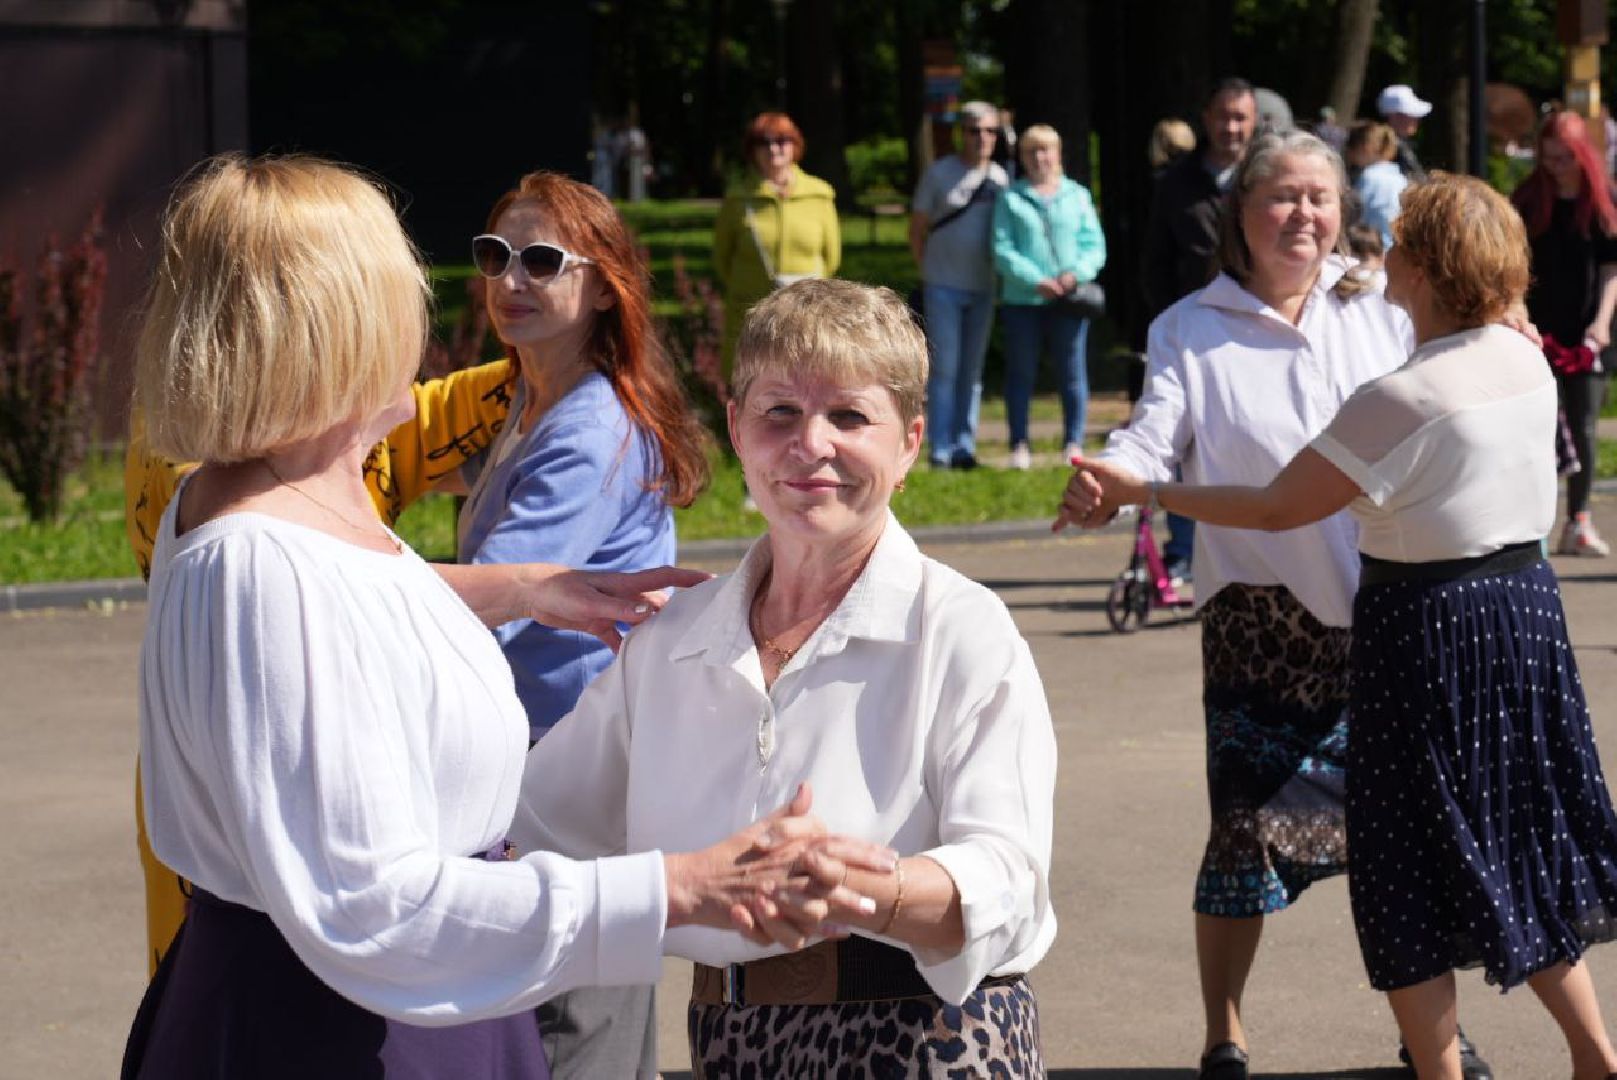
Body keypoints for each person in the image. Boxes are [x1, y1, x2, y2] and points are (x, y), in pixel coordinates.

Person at [122, 153, 893, 1078]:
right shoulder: (257, 561)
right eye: (400, 282)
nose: (433, 301)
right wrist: (682, 886)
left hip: (392, 1003)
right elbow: (371, 907)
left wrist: (524, 588)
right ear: (338, 326)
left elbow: (349, 597)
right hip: (345, 1026)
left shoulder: (283, 494)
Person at [1062, 173, 1617, 1080]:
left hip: (1424, 628)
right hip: (1521, 618)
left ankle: (1440, 1068)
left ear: (1425, 271)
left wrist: (1148, 494)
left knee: (1398, 869)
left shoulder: (1401, 394)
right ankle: (1594, 1058)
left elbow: (1280, 507)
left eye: (1395, 241)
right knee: (1510, 837)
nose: (1375, 249)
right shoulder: (1520, 361)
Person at [512, 279, 1058, 1075]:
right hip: (730, 1039)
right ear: (735, 427)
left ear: (908, 443)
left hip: (927, 1039)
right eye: (779, 413)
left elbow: (1007, 878)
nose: (812, 444)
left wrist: (871, 885)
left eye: (848, 415)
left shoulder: (960, 628)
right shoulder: (672, 642)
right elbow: (540, 823)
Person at [461, 170, 712, 1076]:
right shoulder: (536, 399)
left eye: (540, 261)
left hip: (575, 784)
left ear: (603, 284)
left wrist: (345, 590)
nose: (510, 281)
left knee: (577, 1041)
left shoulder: (588, 427)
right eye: (495, 257)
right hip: (547, 776)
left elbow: (495, 590)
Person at [1142, 77, 1259, 583]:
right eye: (1223, 116)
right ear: (1206, 119)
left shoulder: (1265, 177)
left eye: (1241, 117)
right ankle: (1185, 550)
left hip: (1258, 334)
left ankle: (1253, 549)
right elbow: (1155, 262)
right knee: (1187, 447)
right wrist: (1169, 321)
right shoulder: (1176, 184)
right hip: (1194, 335)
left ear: (1254, 122)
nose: (1231, 127)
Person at [1511, 109, 1617, 558]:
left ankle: (1578, 521)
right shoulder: (1529, 199)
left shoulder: (1602, 200)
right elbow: (1512, 266)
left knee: (1584, 427)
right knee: (1536, 427)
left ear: (1582, 155)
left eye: (1564, 158)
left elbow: (1612, 269)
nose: (1555, 167)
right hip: (1538, 330)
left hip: (1590, 332)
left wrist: (1602, 324)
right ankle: (1532, 525)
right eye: (1548, 158)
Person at [992, 123, 1106, 469]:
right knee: (1020, 374)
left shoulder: (1077, 196)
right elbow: (1002, 249)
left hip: (1069, 300)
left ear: (1058, 154)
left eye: (1047, 150)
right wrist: (1034, 279)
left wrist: (1076, 275)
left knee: (1072, 374)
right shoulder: (1010, 198)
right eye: (1033, 151)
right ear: (1023, 157)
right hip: (1022, 301)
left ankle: (1073, 441)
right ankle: (1019, 444)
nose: (1041, 157)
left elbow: (1094, 246)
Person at [909, 100, 1009, 470]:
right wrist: (930, 269)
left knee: (972, 370)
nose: (981, 137)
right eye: (973, 130)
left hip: (983, 287)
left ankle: (965, 445)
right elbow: (916, 230)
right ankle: (940, 446)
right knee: (946, 368)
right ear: (960, 133)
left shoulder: (1002, 179)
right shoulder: (939, 173)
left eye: (989, 130)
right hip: (942, 285)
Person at [712, 112, 840, 376]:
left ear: (795, 145)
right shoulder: (737, 199)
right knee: (750, 389)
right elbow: (721, 258)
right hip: (749, 313)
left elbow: (832, 257)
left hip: (806, 315)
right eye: (763, 142)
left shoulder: (820, 194)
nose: (773, 148)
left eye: (782, 140)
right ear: (752, 150)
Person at [1346, 121, 1408, 250]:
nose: (1348, 153)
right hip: (1394, 249)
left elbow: (1354, 215)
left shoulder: (1368, 177)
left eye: (1350, 147)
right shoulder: (1400, 179)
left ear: (1365, 147)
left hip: (1370, 249)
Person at [1377, 83, 1432, 180]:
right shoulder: (1387, 148)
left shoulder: (1399, 146)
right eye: (1410, 114)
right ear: (1393, 117)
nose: (1417, 119)